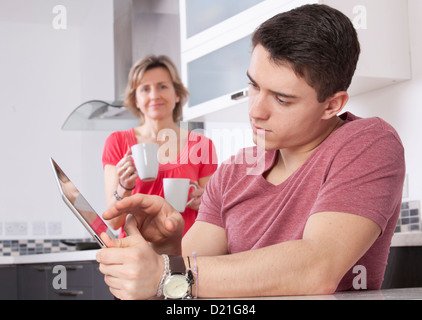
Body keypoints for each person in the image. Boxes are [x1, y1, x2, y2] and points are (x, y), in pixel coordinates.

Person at [96, 4, 405, 299]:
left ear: (332, 105)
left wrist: (165, 273)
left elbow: (317, 269)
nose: (256, 111)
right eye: (254, 87)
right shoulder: (233, 172)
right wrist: (167, 247)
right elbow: (184, 273)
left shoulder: (369, 143)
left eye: (281, 99)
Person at [102, 55, 218, 237]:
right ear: (136, 100)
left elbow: (214, 217)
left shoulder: (202, 145)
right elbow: (113, 222)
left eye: (162, 86)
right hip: (139, 256)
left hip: (185, 254)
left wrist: (208, 202)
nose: (154, 95)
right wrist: (123, 186)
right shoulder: (117, 142)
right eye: (145, 89)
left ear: (177, 94)